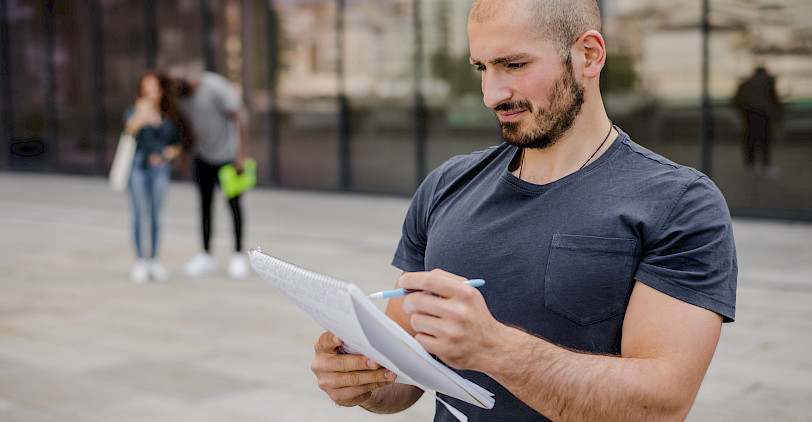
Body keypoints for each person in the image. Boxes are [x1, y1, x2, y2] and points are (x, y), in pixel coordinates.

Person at [310, 0, 738, 421]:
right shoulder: (447, 185)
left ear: (588, 55)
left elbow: (661, 406)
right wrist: (364, 380)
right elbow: (407, 377)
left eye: (513, 65)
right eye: (482, 68)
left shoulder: (680, 204)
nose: (492, 94)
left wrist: (495, 349)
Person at [170, 66, 250, 279]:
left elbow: (239, 116)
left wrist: (240, 154)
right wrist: (186, 158)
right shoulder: (181, 97)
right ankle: (206, 256)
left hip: (228, 158)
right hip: (202, 157)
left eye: (178, 83)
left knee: (234, 206)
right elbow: (186, 129)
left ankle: (237, 256)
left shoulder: (214, 86)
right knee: (205, 206)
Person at [123, 71, 190, 283]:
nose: (151, 93)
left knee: (156, 216)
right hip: (138, 166)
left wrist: (168, 153)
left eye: (154, 88)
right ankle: (140, 261)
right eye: (147, 88)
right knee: (138, 214)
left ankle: (154, 260)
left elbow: (179, 143)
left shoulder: (169, 115)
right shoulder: (135, 112)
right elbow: (129, 129)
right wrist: (143, 117)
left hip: (160, 168)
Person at [733, 66, 781, 177]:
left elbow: (736, 101)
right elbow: (774, 99)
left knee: (750, 141)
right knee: (765, 142)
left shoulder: (746, 83)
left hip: (749, 116)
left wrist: (744, 112)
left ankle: (750, 166)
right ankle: (765, 167)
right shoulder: (768, 82)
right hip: (764, 116)